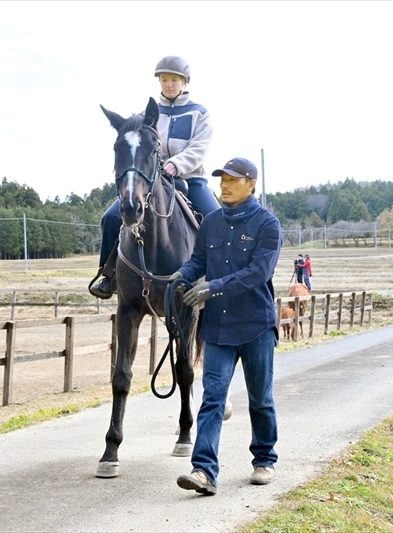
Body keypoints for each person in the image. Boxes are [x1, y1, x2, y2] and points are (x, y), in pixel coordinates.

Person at [170, 157, 283, 496]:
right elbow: (199, 261)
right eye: (222, 179)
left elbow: (258, 273)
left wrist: (212, 287)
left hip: (256, 326)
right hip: (218, 326)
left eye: (233, 179)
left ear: (251, 184)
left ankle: (264, 459)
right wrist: (183, 275)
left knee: (260, 399)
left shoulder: (268, 224)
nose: (224, 185)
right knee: (212, 399)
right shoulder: (211, 223)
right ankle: (203, 471)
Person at [90, 55, 219, 299]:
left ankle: (218, 280)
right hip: (149, 182)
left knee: (215, 220)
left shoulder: (199, 113)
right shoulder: (146, 115)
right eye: (164, 79)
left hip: (190, 179)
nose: (168, 84)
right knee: (109, 218)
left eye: (174, 80)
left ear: (184, 82)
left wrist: (176, 164)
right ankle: (108, 276)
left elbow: (200, 148)